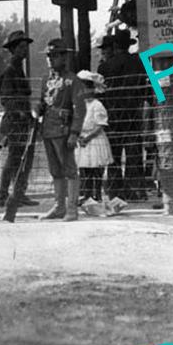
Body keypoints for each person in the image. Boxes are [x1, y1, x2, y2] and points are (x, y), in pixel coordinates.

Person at [37, 38, 86, 221]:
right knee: (55, 170)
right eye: (48, 56)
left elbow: (80, 109)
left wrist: (74, 132)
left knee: (69, 170)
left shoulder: (72, 80)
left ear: (63, 58)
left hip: (64, 130)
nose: (50, 59)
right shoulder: (45, 80)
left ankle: (72, 209)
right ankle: (59, 207)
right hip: (47, 130)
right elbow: (42, 103)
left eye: (55, 56)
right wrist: (37, 109)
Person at [97, 28, 148, 201]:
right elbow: (145, 87)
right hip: (133, 112)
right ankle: (135, 189)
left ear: (115, 45)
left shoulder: (105, 66)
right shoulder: (139, 62)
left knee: (113, 154)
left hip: (113, 114)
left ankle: (115, 190)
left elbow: (100, 92)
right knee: (134, 153)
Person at [0, 30, 39, 209]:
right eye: (21, 47)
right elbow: (7, 99)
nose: (24, 50)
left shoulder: (18, 68)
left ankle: (18, 193)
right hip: (14, 122)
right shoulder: (10, 70)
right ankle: (3, 195)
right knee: (13, 159)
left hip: (22, 121)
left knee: (22, 159)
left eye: (26, 47)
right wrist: (21, 113)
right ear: (13, 49)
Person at [75, 71, 113, 210]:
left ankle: (97, 194)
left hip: (94, 139)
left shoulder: (97, 105)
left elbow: (100, 124)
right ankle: (86, 194)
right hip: (82, 139)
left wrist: (88, 137)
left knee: (96, 169)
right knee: (84, 169)